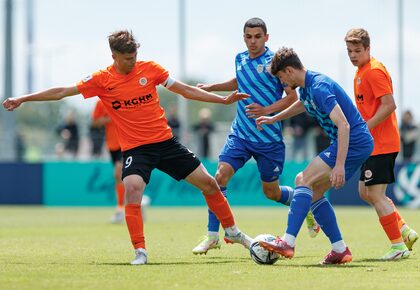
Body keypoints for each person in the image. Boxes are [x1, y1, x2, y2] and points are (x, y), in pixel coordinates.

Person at [2, 30, 253, 265]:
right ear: (114, 56)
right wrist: (23, 98)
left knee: (209, 184)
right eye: (127, 58)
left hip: (165, 143)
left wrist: (222, 100)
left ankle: (232, 232)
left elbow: (185, 91)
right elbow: (61, 92)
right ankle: (140, 251)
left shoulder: (151, 69)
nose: (133, 62)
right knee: (132, 189)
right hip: (136, 149)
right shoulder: (101, 80)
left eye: (134, 57)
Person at [192, 18, 319, 256]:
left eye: (257, 36)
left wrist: (266, 110)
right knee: (219, 177)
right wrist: (211, 87)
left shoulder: (275, 63)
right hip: (240, 133)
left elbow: (292, 98)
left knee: (270, 192)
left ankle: (304, 204)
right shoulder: (239, 58)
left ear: (266, 38)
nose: (253, 41)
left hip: (268, 139)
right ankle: (212, 236)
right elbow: (239, 80)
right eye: (249, 37)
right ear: (244, 38)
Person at [256, 47, 374, 264]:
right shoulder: (307, 88)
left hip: (353, 140)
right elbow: (302, 105)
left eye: (281, 77)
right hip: (355, 142)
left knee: (303, 180)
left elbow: (344, 125)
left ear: (290, 71)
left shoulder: (318, 87)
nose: (282, 83)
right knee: (315, 192)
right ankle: (340, 249)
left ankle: (288, 242)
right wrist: (274, 118)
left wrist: (339, 166)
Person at [345, 28, 418, 259]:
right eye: (349, 51)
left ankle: (398, 246)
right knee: (365, 192)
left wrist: (365, 127)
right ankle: (404, 230)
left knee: (375, 194)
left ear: (368, 48)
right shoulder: (361, 72)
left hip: (382, 143)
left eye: (358, 50)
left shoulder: (374, 71)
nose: (353, 55)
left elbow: (389, 105)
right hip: (372, 144)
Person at [91, 99, 125, 223]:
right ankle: (138, 203)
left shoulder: (125, 95)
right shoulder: (101, 102)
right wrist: (109, 118)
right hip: (112, 145)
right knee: (122, 178)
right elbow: (94, 122)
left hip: (127, 141)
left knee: (118, 174)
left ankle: (120, 210)